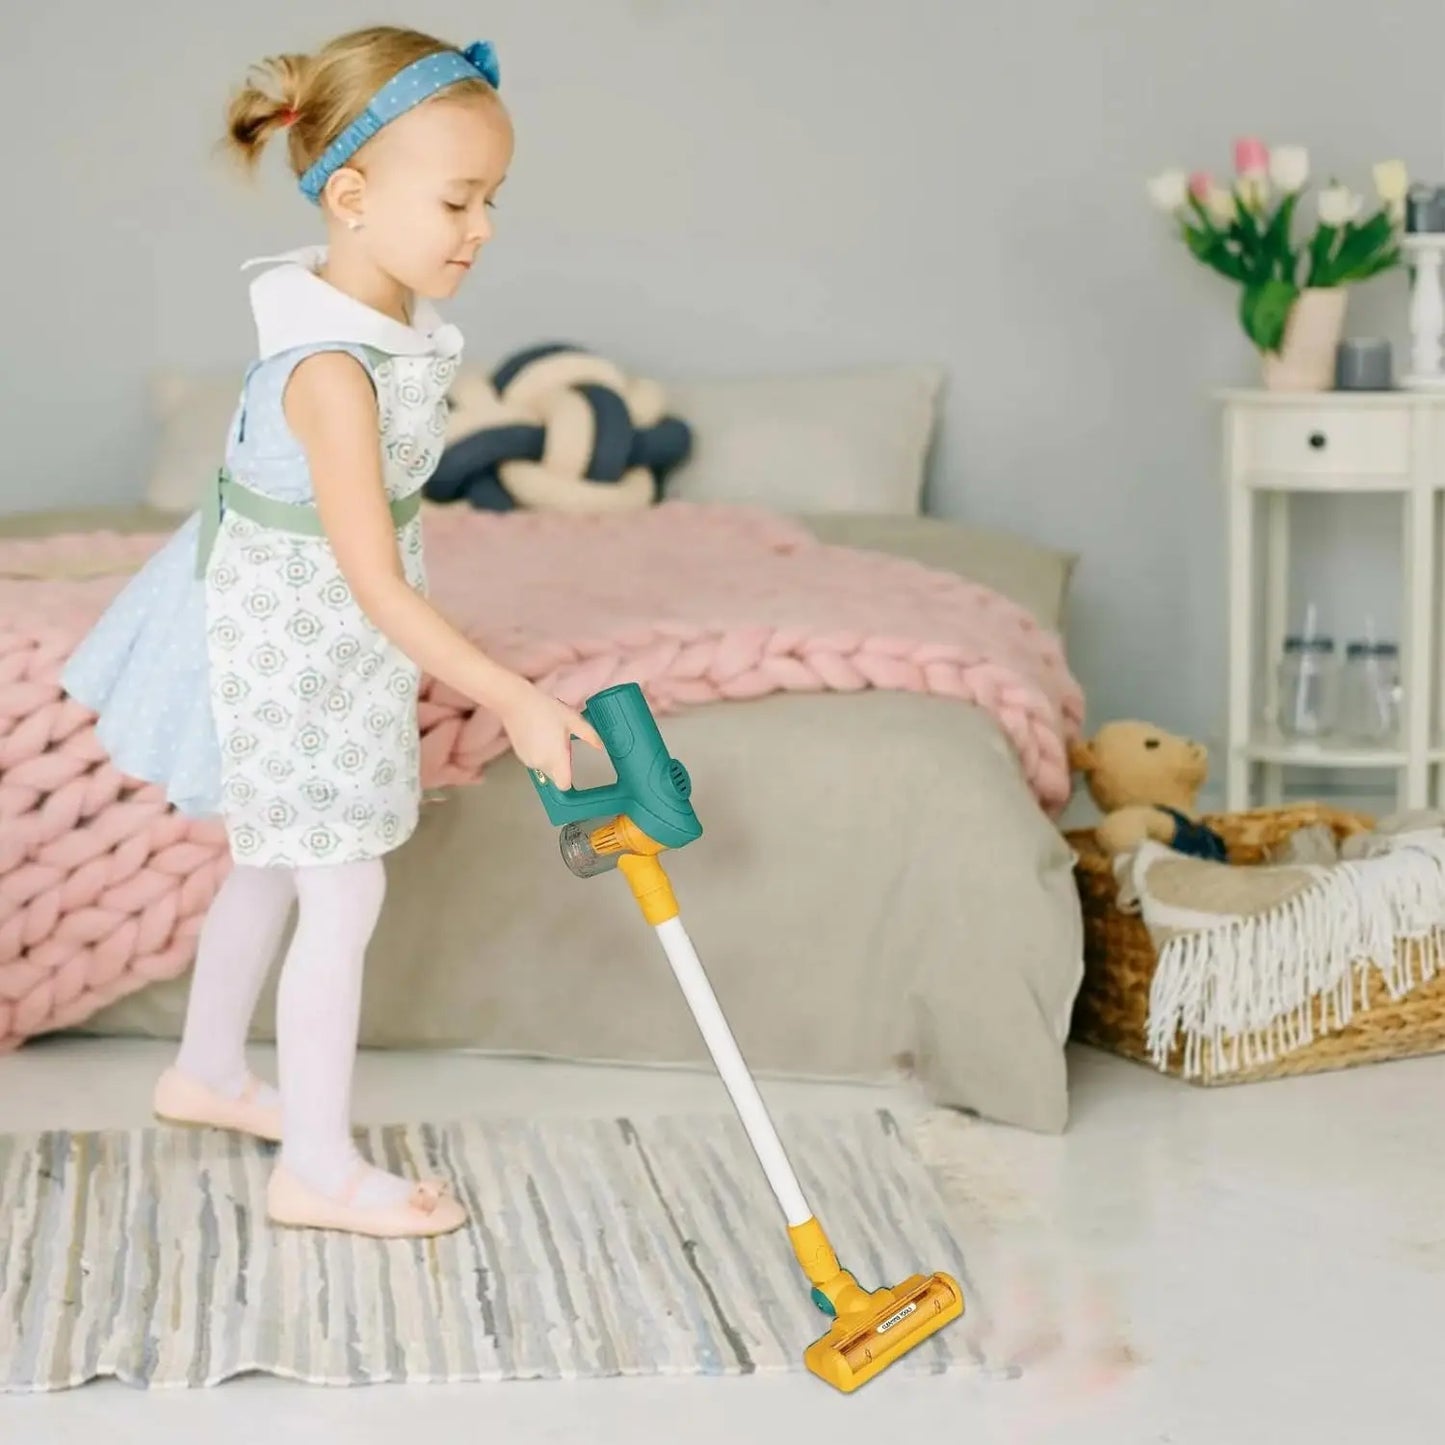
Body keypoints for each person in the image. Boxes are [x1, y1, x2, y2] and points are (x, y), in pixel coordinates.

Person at [61, 25, 602, 1239]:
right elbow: (371, 580)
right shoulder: (330, 371)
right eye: (458, 199)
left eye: (492, 199)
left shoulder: (382, 319)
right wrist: (510, 693)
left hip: (325, 619)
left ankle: (206, 1069)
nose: (483, 227)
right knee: (339, 884)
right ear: (351, 197)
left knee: (272, 852)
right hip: (294, 630)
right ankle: (313, 1161)